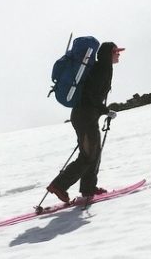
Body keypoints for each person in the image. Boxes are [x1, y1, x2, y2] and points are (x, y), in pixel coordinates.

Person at [46, 42, 124, 204]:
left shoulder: (103, 68)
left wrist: (101, 111)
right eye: (116, 51)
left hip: (85, 116)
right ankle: (59, 186)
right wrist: (105, 110)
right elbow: (90, 95)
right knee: (88, 155)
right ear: (108, 53)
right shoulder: (101, 69)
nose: (118, 54)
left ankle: (89, 188)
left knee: (94, 153)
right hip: (84, 117)